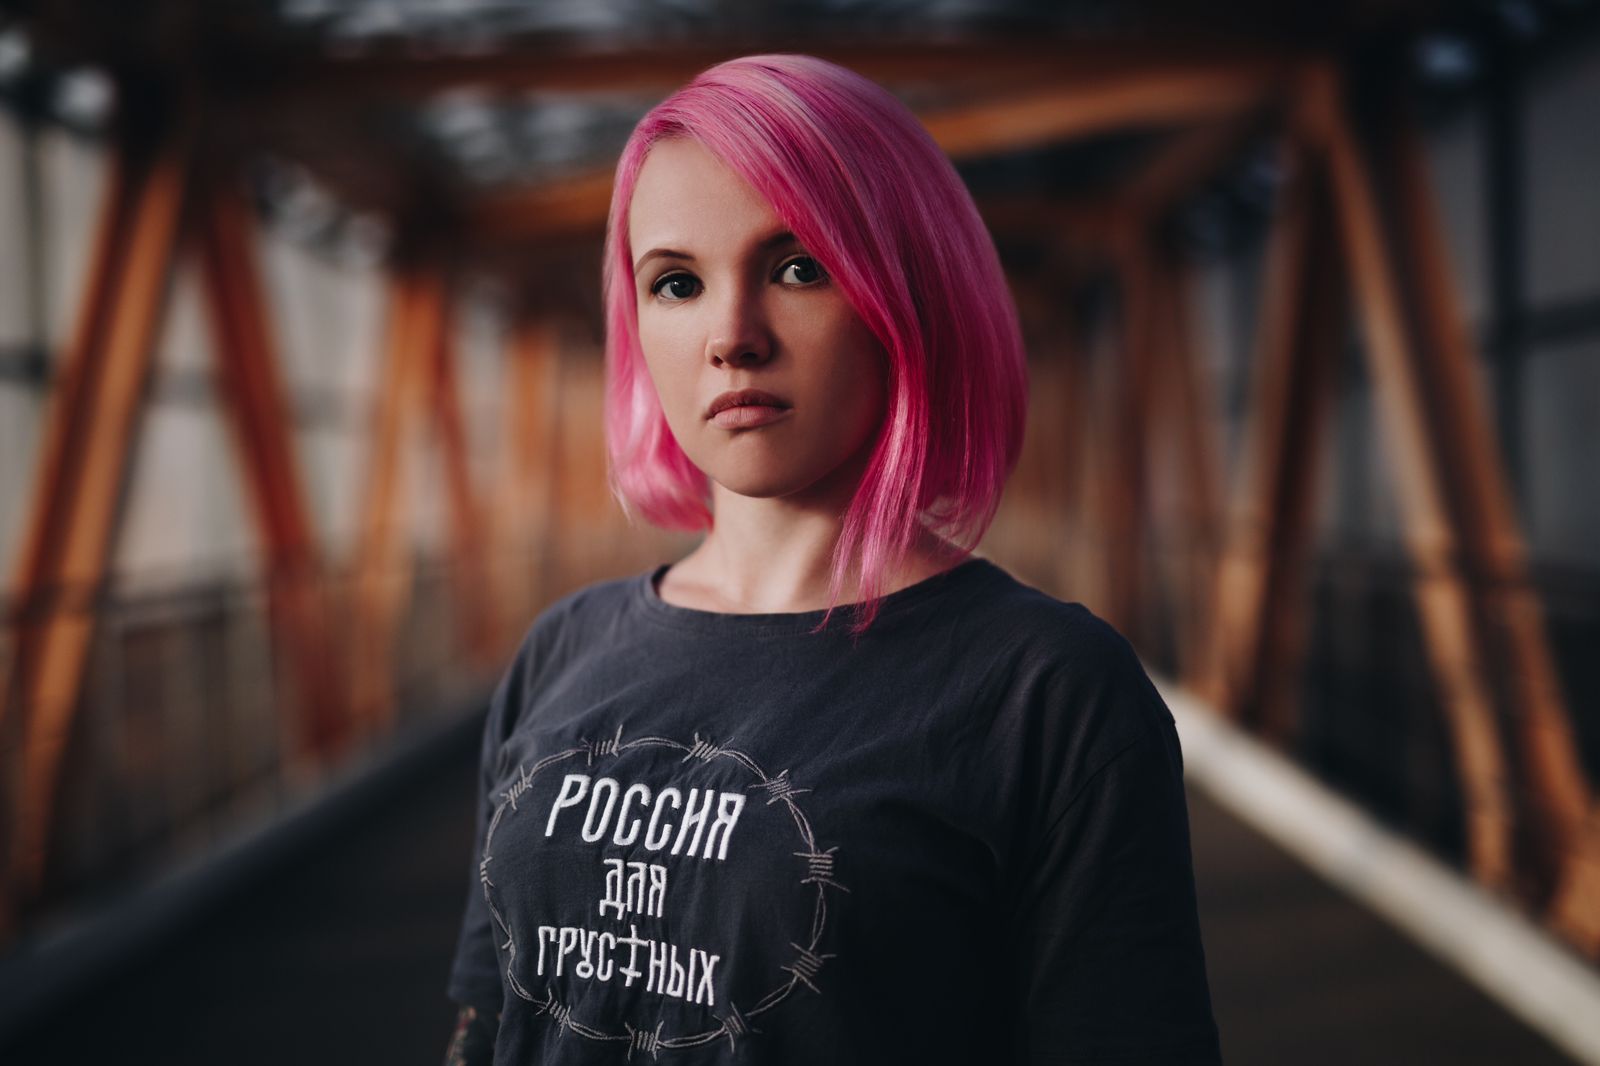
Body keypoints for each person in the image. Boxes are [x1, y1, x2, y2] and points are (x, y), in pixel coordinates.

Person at [444, 54, 1222, 1065]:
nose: (731, 337)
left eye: (797, 267)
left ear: (909, 294)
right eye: (675, 283)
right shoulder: (563, 648)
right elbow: (487, 1018)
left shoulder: (1047, 692)